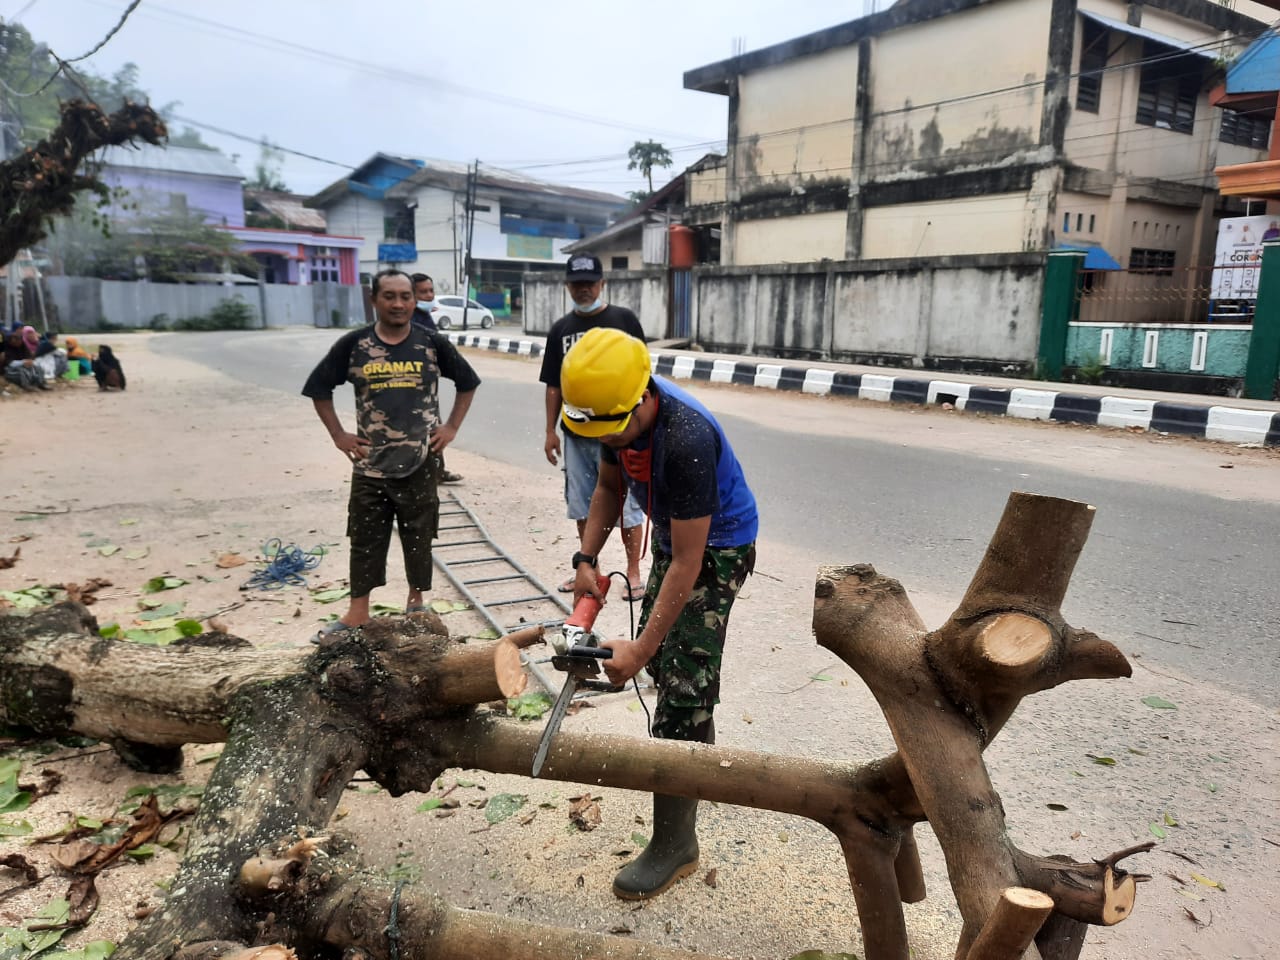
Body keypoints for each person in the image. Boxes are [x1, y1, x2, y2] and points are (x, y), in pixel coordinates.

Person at [562, 327, 758, 902]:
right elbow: (607, 484)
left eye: (612, 429)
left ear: (644, 397)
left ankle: (676, 845)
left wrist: (642, 647)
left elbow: (689, 562)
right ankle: (696, 754)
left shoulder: (687, 439)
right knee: (676, 673)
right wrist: (586, 558)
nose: (606, 439)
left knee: (677, 682)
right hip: (678, 541)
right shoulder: (609, 409)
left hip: (716, 546)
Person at [302, 269, 480, 640]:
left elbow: (467, 382)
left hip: (419, 461)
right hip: (369, 465)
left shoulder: (431, 343)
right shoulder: (354, 345)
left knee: (419, 534)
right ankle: (357, 613)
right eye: (390, 296)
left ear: (415, 301)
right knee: (365, 537)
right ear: (374, 300)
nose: (398, 304)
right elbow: (319, 388)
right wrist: (338, 434)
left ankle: (416, 604)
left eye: (405, 296)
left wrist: (450, 429)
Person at [539, 254, 646, 600]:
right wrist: (550, 430)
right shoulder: (560, 330)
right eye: (577, 283)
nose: (584, 289)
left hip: (621, 430)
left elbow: (642, 376)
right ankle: (590, 569)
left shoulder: (624, 320)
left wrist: (641, 426)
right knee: (581, 503)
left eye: (590, 282)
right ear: (568, 286)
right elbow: (553, 385)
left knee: (627, 503)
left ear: (602, 284)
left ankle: (633, 573)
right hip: (576, 433)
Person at [411, 273, 463, 484]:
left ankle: (438, 471)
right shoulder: (410, 318)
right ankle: (419, 473)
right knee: (415, 429)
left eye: (430, 291)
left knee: (434, 427)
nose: (429, 295)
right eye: (423, 292)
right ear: (412, 294)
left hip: (427, 384)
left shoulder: (425, 316)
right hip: (409, 383)